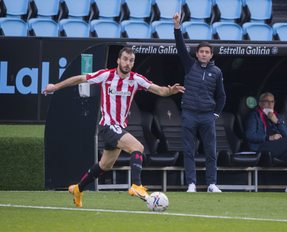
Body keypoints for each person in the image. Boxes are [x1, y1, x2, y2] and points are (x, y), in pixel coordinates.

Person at [43, 47, 185, 207]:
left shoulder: (136, 79)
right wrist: (55, 87)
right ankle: (137, 186)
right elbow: (79, 79)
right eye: (125, 59)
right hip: (107, 125)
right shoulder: (106, 75)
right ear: (118, 60)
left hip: (118, 128)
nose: (128, 63)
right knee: (137, 147)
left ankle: (77, 188)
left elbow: (159, 90)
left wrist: (170, 91)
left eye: (131, 60)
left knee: (105, 165)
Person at [173, 11, 226, 193]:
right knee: (189, 151)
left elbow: (222, 96)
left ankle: (211, 184)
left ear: (211, 55)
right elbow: (180, 47)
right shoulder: (190, 65)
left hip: (207, 116)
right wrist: (177, 27)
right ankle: (192, 184)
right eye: (201, 52)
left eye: (207, 52)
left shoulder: (217, 72)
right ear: (197, 54)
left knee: (210, 151)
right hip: (189, 114)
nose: (204, 54)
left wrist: (216, 114)